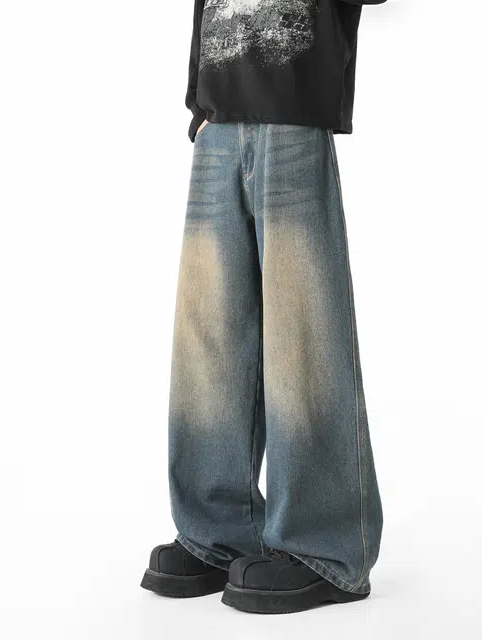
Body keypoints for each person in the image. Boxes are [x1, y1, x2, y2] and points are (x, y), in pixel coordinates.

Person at [141, 0, 386, 614]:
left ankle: (326, 547)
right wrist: (197, 100)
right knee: (207, 336)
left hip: (294, 114)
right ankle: (217, 532)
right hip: (219, 115)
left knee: (304, 332)